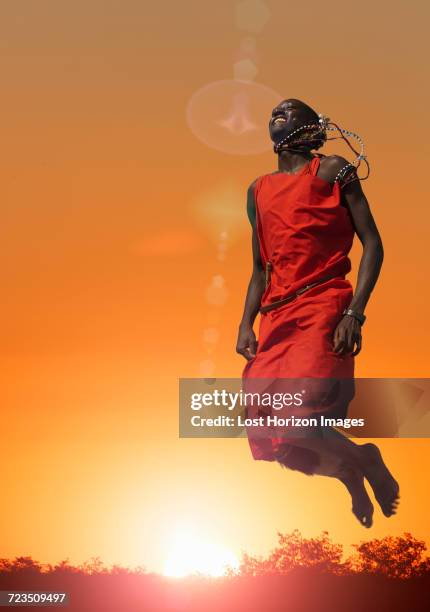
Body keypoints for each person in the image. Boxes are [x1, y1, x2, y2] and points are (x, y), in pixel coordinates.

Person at [236, 98, 399, 527]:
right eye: (274, 109)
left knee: (299, 418)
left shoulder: (332, 171)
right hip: (274, 316)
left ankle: (366, 457)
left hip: (323, 307)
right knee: (274, 438)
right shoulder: (257, 190)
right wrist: (244, 323)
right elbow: (259, 267)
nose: (278, 110)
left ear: (310, 127)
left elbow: (374, 244)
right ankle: (350, 475)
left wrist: (355, 314)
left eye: (290, 110)